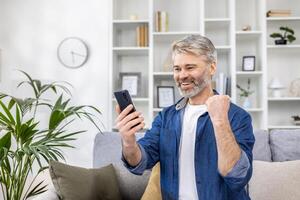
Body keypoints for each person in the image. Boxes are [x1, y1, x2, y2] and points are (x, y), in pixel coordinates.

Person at [115, 35, 255, 200]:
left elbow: (238, 176)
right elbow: (140, 163)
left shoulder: (237, 116)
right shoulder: (165, 117)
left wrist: (220, 121)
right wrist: (128, 141)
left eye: (190, 67)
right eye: (177, 69)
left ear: (212, 67)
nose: (182, 76)